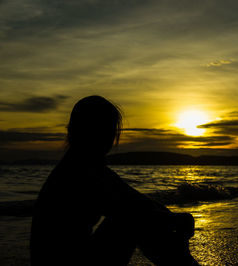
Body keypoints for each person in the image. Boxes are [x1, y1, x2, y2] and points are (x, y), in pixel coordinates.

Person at [30, 95, 198, 266]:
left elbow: (136, 201)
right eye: (103, 130)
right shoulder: (85, 172)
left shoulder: (76, 166)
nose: (107, 137)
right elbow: (133, 206)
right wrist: (176, 220)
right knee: (133, 219)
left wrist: (169, 217)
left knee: (135, 215)